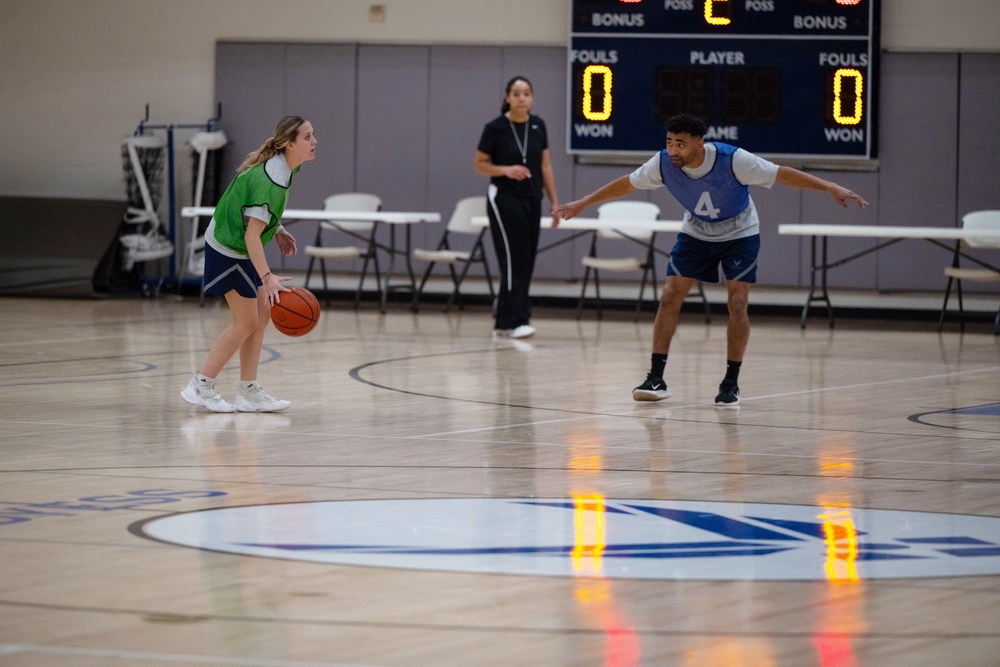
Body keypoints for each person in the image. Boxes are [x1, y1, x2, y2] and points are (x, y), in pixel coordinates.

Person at [553, 114, 868, 407]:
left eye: (681, 143)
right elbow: (627, 183)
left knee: (737, 302)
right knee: (669, 295)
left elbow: (781, 174)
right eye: (669, 142)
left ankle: (730, 382)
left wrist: (829, 187)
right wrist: (584, 202)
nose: (673, 150)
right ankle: (656, 378)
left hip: (740, 232)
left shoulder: (733, 160)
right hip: (697, 232)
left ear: (699, 143)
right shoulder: (663, 164)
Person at [181, 115, 316, 413]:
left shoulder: (285, 169)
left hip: (239, 245)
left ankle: (248, 390)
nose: (314, 141)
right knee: (246, 322)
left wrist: (277, 230)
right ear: (289, 144)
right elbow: (252, 235)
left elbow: (254, 213)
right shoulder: (270, 179)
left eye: (312, 135)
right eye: (307, 137)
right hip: (229, 248)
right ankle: (201, 385)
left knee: (261, 317)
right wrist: (267, 277)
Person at [475, 76, 560, 339]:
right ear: (507, 97)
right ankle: (515, 320)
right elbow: (480, 164)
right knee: (512, 258)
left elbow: (545, 165)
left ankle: (503, 322)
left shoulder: (538, 125)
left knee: (527, 258)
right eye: (516, 93)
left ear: (532, 98)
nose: (522, 97)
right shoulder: (495, 128)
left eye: (526, 93)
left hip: (532, 197)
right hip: (503, 197)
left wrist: (554, 201)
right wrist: (505, 170)